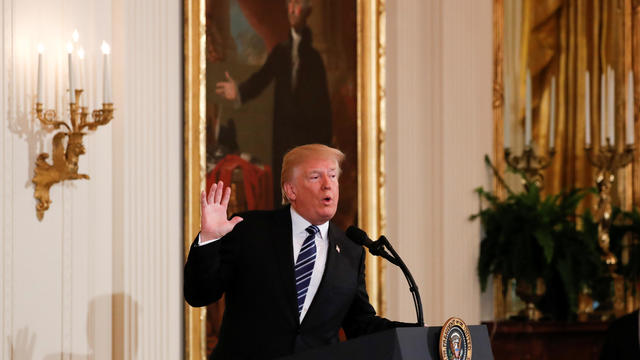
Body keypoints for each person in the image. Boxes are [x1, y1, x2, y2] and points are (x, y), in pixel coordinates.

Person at [184, 144, 413, 359]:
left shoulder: (351, 252)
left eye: (333, 176)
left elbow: (360, 324)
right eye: (315, 177)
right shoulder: (250, 230)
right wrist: (209, 239)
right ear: (291, 190)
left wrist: (420, 333)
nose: (328, 184)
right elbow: (199, 294)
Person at [215, 0, 332, 203]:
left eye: (298, 5)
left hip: (309, 142)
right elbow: (261, 79)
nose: (292, 10)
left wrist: (325, 149)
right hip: (284, 141)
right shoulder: (281, 52)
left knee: (310, 197)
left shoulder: (314, 60)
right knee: (285, 199)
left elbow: (324, 110)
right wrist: (238, 91)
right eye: (290, 4)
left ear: (307, 11)